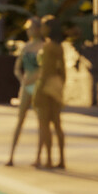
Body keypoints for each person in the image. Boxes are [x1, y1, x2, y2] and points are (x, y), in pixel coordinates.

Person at [4, 17, 46, 167]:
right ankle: (11, 155)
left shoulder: (44, 47)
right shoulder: (26, 47)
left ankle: (39, 157)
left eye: (31, 28)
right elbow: (17, 68)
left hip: (38, 87)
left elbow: (45, 68)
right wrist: (22, 80)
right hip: (26, 86)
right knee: (20, 121)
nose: (29, 31)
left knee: (41, 123)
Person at [33, 18, 67, 170]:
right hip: (56, 87)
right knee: (57, 124)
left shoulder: (48, 47)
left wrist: (39, 89)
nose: (41, 28)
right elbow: (63, 70)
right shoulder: (59, 47)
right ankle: (61, 159)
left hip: (45, 88)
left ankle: (48, 159)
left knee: (45, 124)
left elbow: (45, 71)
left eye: (44, 26)